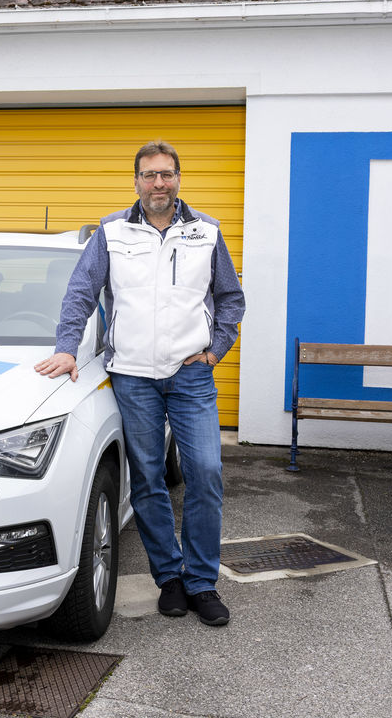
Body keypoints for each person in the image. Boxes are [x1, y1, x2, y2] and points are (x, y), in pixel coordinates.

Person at [35, 140, 246, 627]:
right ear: (136, 181)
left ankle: (202, 581)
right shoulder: (110, 233)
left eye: (167, 174)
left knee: (206, 473)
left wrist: (215, 349)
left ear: (178, 179)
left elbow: (230, 298)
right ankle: (169, 579)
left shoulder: (205, 233)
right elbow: (80, 293)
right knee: (148, 481)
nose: (159, 183)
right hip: (131, 377)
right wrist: (67, 348)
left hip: (190, 375)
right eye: (149, 175)